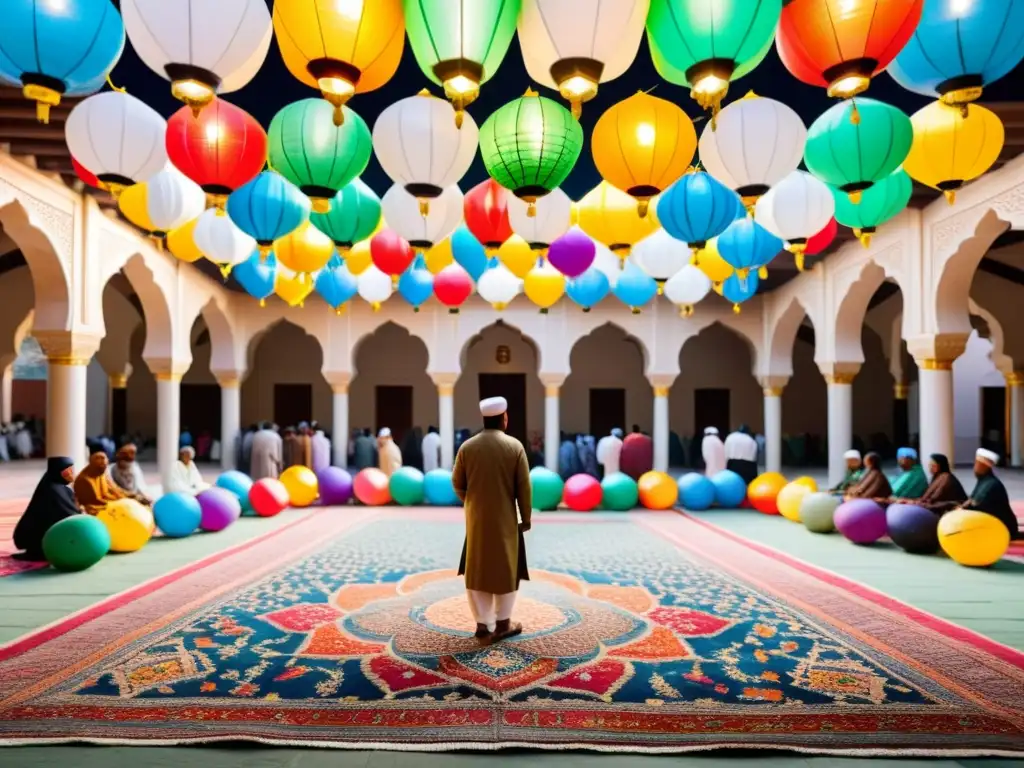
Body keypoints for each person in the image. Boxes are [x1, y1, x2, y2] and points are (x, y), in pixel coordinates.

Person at [452, 396, 531, 644]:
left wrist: (472, 501)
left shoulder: (467, 447)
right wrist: (525, 518)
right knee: (506, 567)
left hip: (476, 519)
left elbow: (457, 482)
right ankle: (503, 624)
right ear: (504, 418)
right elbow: (523, 489)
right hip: (506, 518)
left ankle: (483, 626)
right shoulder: (515, 447)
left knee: (478, 567)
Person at [12, 456, 80, 561]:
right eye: (68, 470)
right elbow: (68, 513)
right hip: (39, 539)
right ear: (59, 471)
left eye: (72, 469)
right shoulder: (53, 490)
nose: (72, 473)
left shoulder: (57, 486)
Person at [961, 449, 1021, 539]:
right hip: (993, 523)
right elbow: (972, 500)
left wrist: (962, 508)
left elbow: (977, 505)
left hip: (1003, 527)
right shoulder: (983, 481)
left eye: (977, 465)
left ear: (985, 466)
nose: (975, 468)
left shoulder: (991, 484)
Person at [74, 451, 127, 515]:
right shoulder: (85, 480)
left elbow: (113, 489)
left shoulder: (101, 474)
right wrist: (119, 502)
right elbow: (96, 500)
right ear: (92, 465)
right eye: (101, 466)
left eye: (105, 465)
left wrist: (124, 497)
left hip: (108, 503)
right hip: (94, 508)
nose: (104, 468)